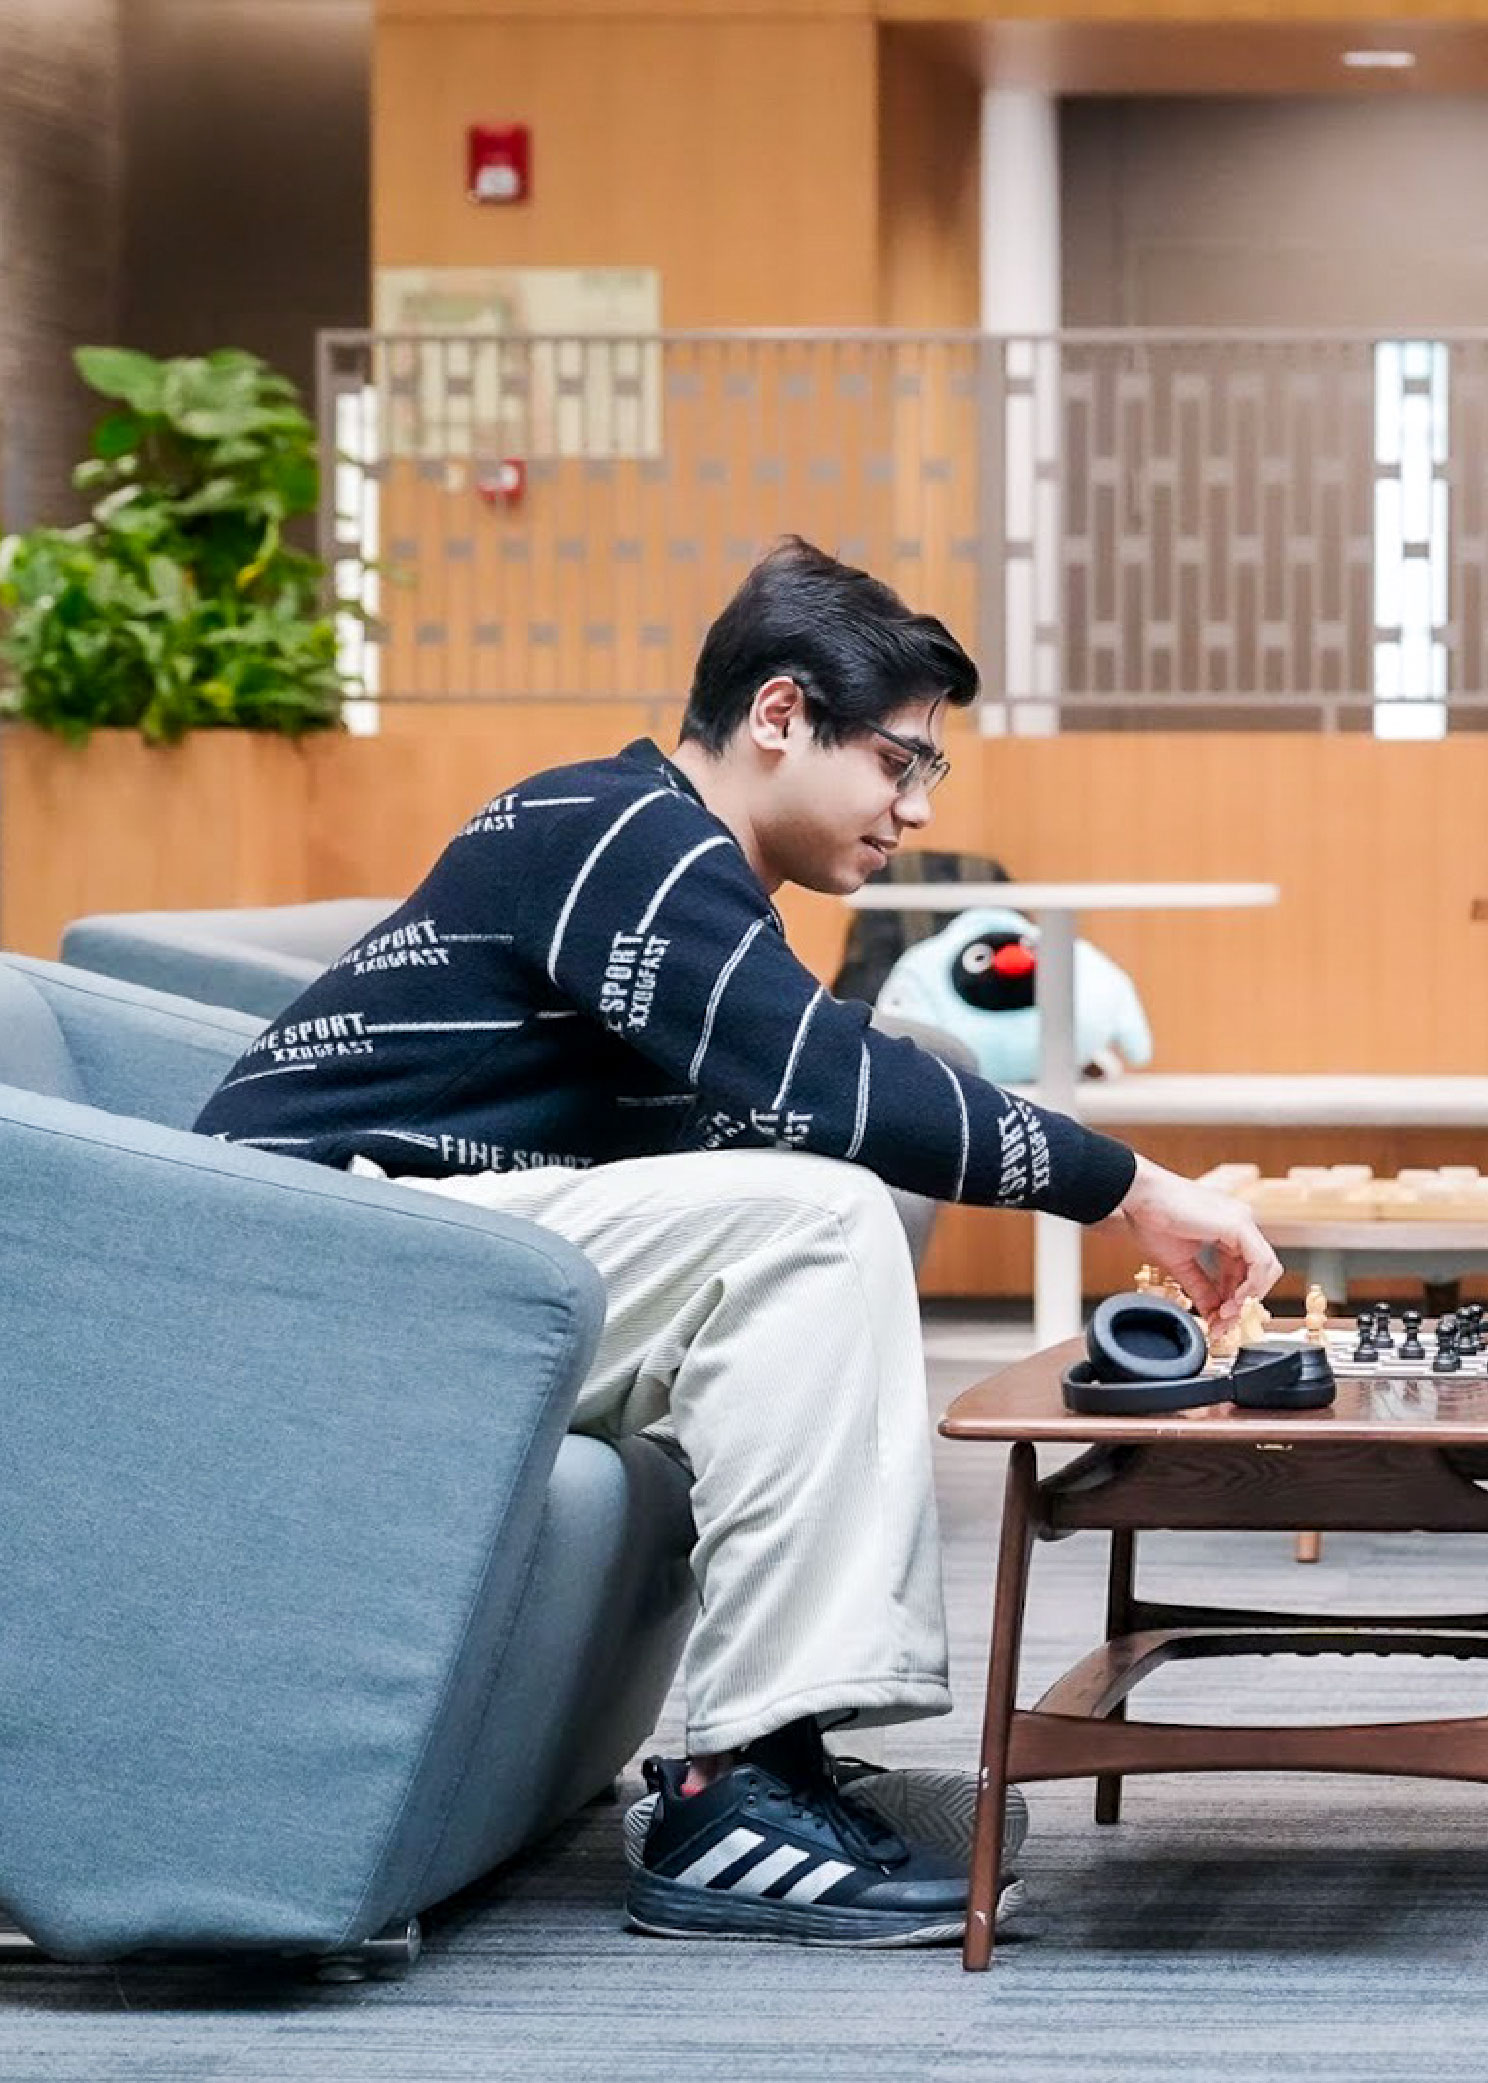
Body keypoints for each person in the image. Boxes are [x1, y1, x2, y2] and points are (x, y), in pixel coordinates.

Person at [195, 538, 1279, 1948]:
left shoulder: (680, 861)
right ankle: (728, 1795)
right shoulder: (617, 830)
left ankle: (771, 1754)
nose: (911, 807)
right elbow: (828, 1087)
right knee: (806, 1216)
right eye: (899, 762)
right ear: (780, 716)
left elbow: (797, 1090)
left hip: (427, 1260)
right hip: (304, 1259)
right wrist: (1130, 1188)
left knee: (789, 1209)